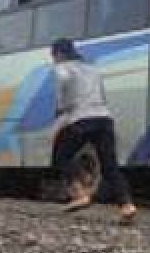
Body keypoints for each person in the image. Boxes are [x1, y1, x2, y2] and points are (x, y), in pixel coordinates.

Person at [50, 38, 137, 224]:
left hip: (81, 118)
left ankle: (79, 194)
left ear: (58, 54)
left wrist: (61, 108)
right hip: (104, 118)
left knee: (60, 156)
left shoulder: (62, 67)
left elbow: (63, 84)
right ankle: (127, 205)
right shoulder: (92, 68)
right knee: (109, 165)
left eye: (54, 56)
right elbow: (102, 94)